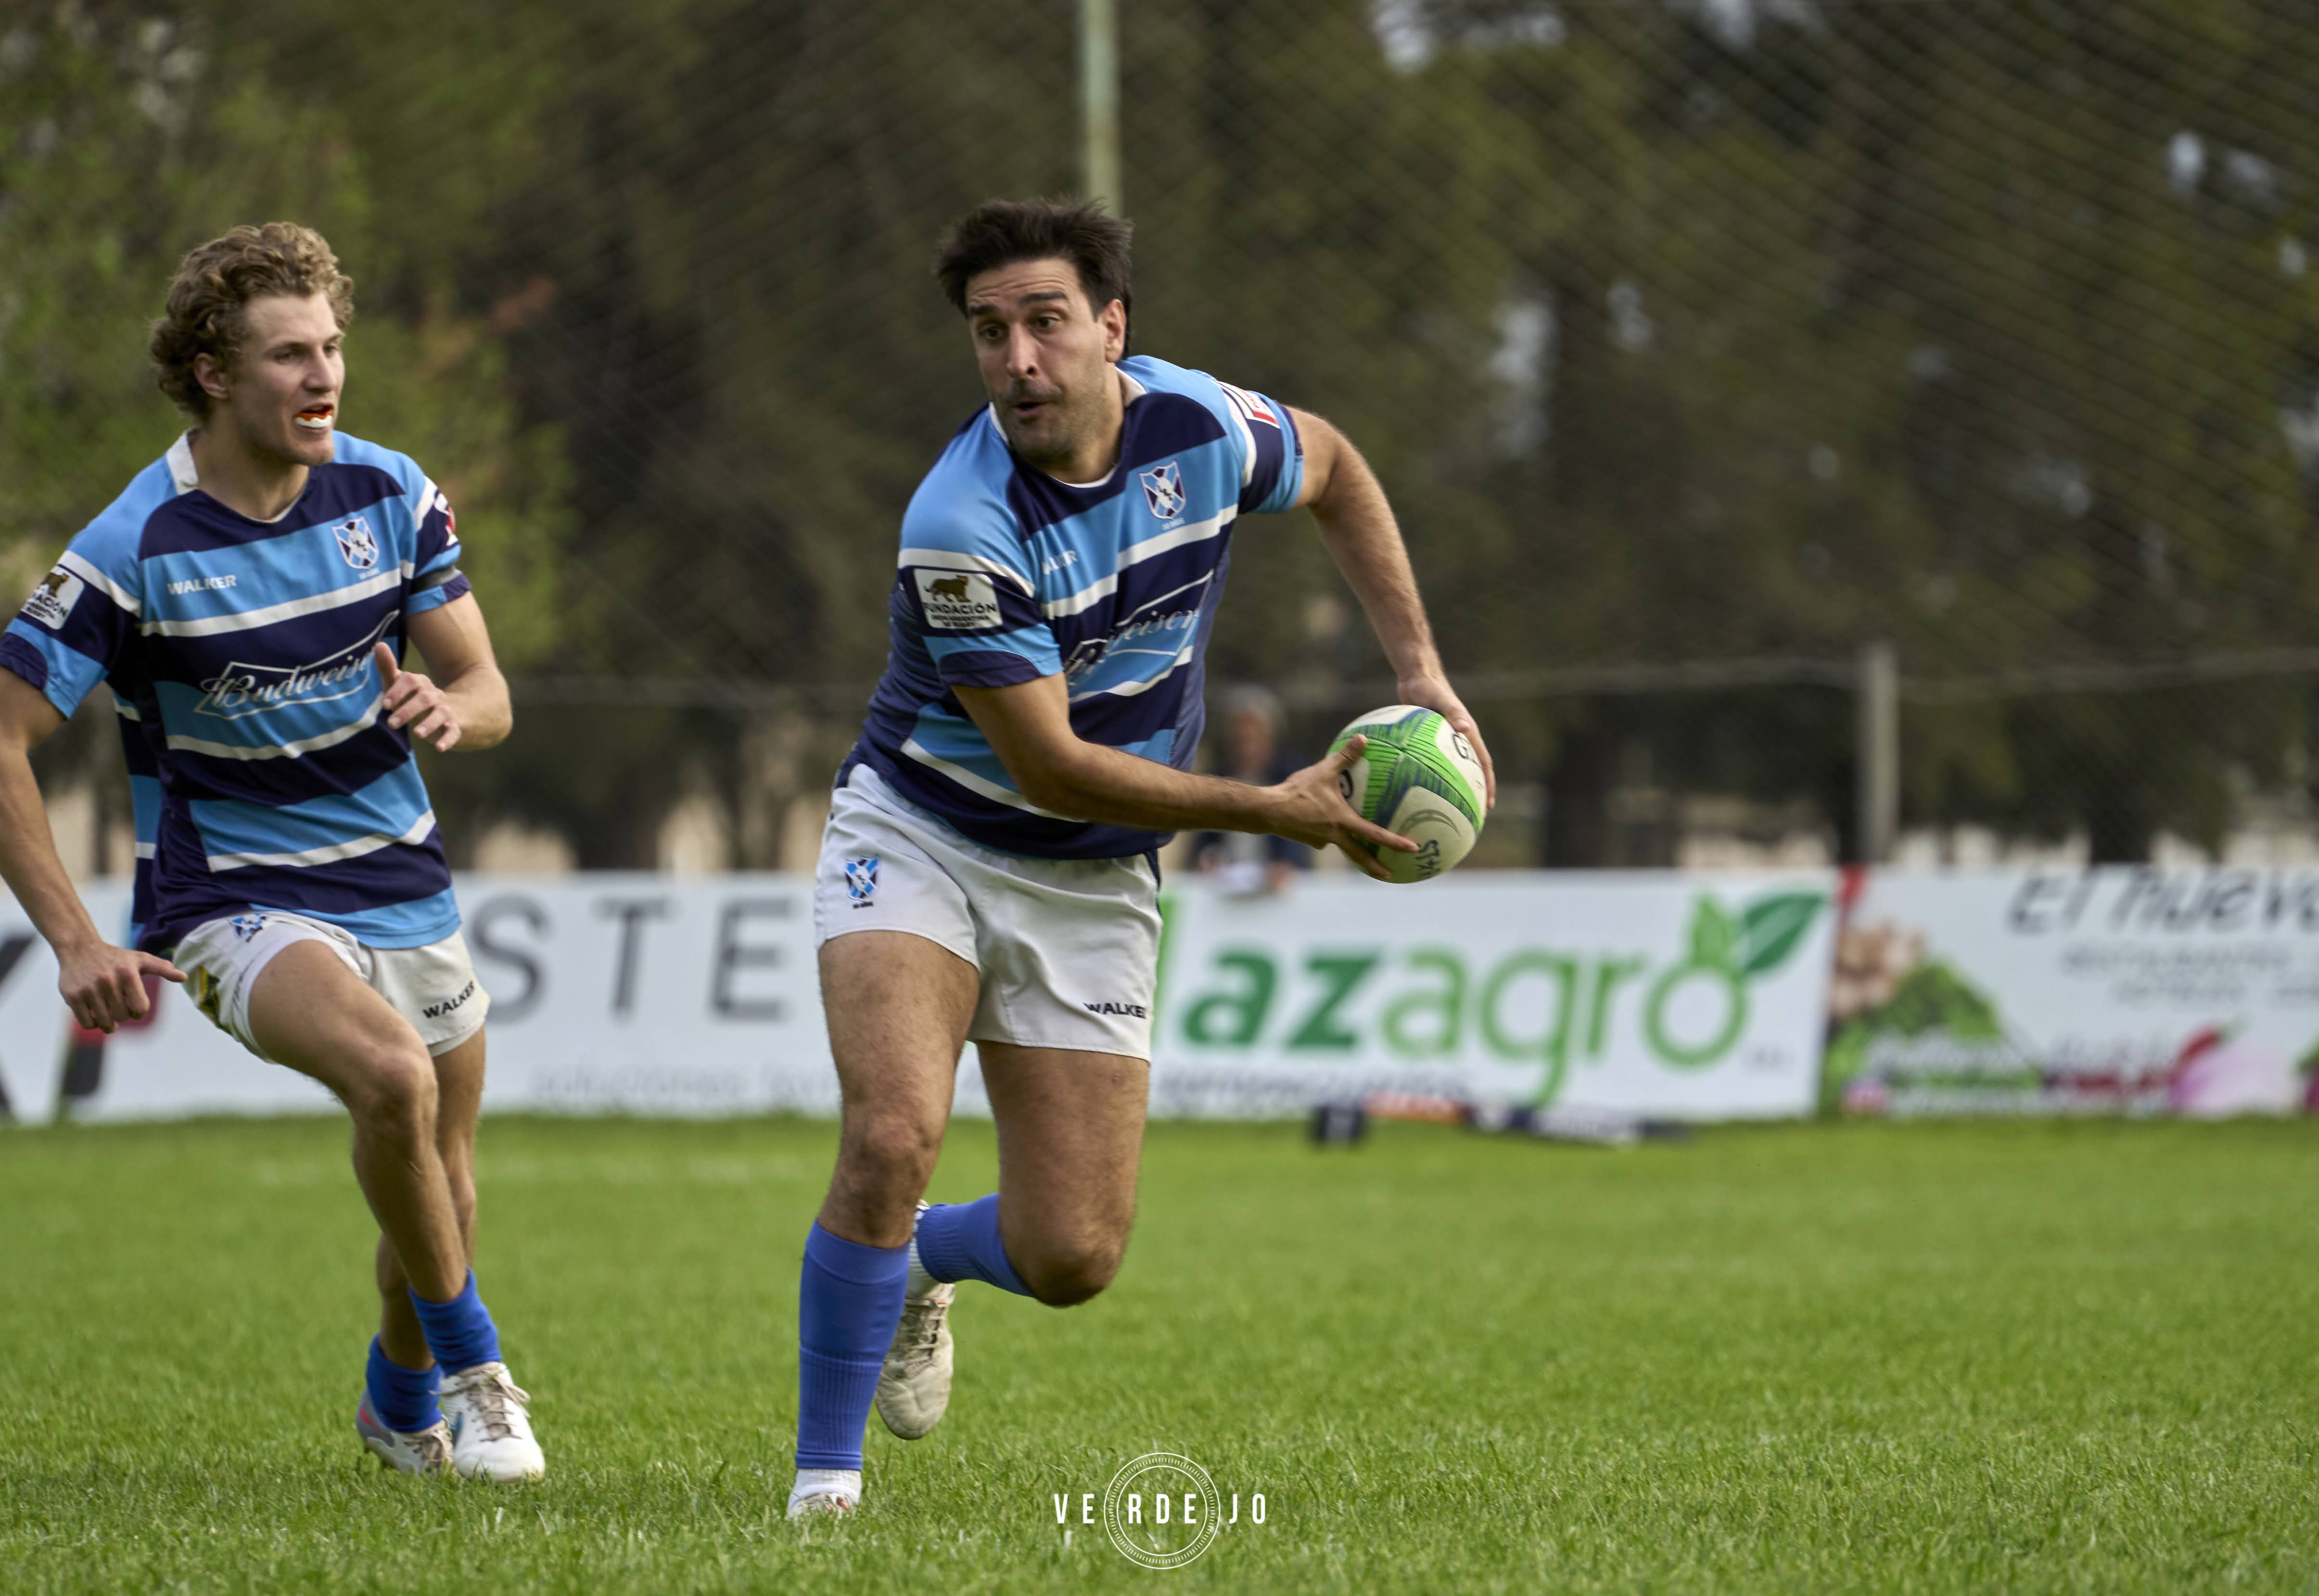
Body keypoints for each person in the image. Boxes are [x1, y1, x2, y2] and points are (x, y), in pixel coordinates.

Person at [789, 197, 1495, 1517]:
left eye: (1046, 322)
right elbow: (1048, 764)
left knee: (1071, 1253)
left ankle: (919, 1263)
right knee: (892, 1133)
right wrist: (1275, 810)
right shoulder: (958, 519)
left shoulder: (1204, 427)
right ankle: (822, 1488)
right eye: (989, 332)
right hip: (924, 831)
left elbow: (1334, 468)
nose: (1017, 358)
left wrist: (1419, 670)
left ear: (1112, 329)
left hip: (1095, 877)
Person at [0, 223, 543, 1482]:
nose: (323, 375)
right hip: (230, 898)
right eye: (289, 354)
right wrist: (76, 936)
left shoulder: (392, 491)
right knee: (394, 1083)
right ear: (210, 371)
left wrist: (456, 710)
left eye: (333, 347)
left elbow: (486, 680)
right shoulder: (134, 546)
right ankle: (480, 1376)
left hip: (402, 874)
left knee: (444, 1187)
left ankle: (395, 1398)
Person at [1187, 685, 1315, 894]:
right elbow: (1201, 843)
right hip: (1224, 890)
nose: (1247, 748)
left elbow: (1302, 838)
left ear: (1271, 738)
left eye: (1253, 739)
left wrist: (1287, 864)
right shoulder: (1216, 779)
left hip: (1281, 890)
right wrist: (1205, 861)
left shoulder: (1292, 777)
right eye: (1239, 739)